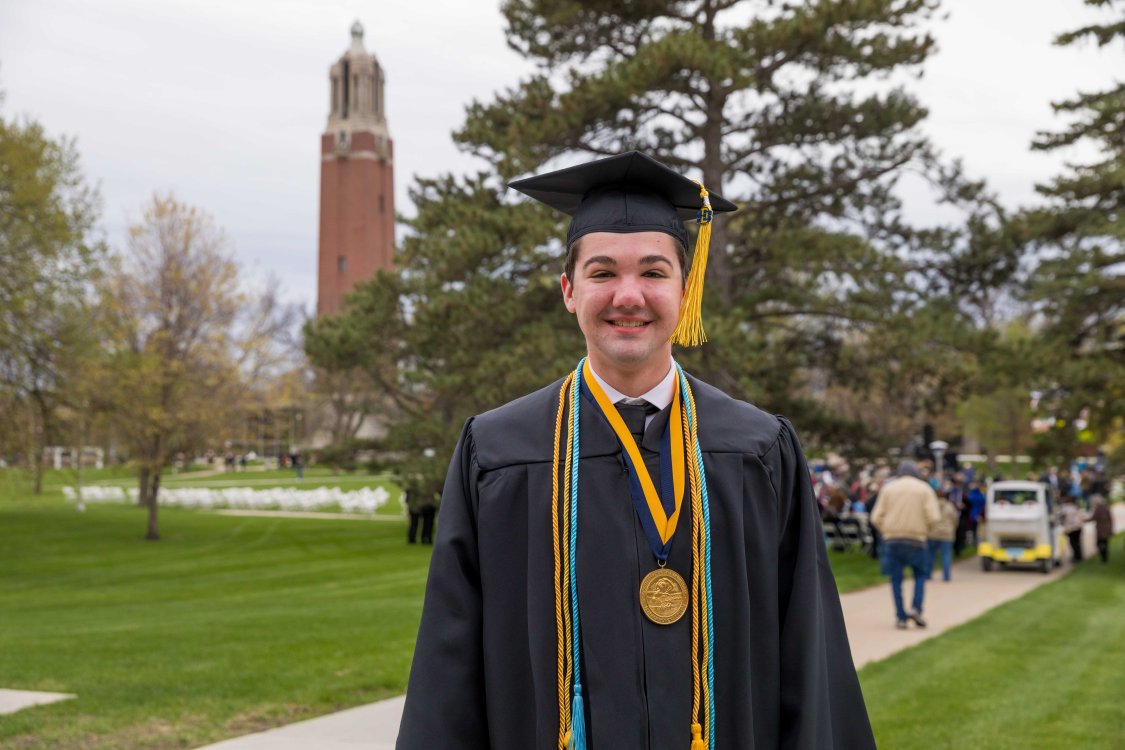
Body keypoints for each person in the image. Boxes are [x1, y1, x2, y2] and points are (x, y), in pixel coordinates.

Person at [396, 152, 874, 749]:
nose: (629, 295)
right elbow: (448, 672)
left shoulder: (757, 451)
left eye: (653, 272)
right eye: (602, 273)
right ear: (569, 291)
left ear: (684, 288)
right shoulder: (498, 456)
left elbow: (810, 655)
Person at [870, 461, 941, 629]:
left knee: (896, 580)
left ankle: (901, 616)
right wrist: (924, 531)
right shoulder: (924, 489)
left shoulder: (889, 489)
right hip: (916, 539)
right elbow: (934, 517)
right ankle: (916, 608)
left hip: (892, 539)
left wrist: (887, 531)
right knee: (920, 576)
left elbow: (875, 517)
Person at [926, 493, 959, 582]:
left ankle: (928, 574)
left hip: (932, 533)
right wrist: (952, 528)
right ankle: (946, 576)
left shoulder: (931, 506)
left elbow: (927, 518)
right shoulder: (950, 507)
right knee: (946, 555)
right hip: (947, 534)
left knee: (930, 555)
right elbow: (955, 519)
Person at [1088, 496, 1114, 563]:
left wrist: (1083, 520)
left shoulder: (1098, 509)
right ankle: (1105, 557)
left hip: (1101, 529)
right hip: (1106, 528)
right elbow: (1110, 518)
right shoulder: (1106, 507)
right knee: (1105, 543)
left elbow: (1093, 518)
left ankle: (1103, 557)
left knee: (1099, 543)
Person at [1061, 496, 1085, 562]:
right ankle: (1079, 556)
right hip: (1078, 527)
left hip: (1071, 527)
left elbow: (1063, 517)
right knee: (1077, 542)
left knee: (1073, 543)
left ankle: (1076, 556)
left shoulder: (1065, 508)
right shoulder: (1076, 507)